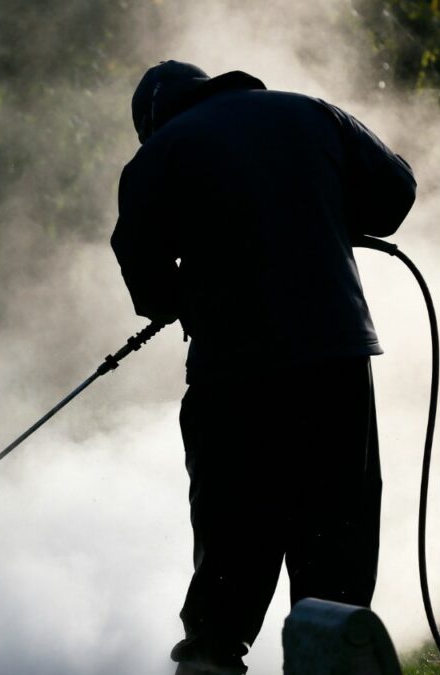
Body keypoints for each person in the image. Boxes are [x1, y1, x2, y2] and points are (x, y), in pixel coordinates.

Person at [110, 61, 416, 674]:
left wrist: (182, 296)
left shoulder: (159, 155)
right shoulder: (311, 111)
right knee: (337, 530)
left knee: (234, 534)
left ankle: (211, 659)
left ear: (151, 119)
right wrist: (321, 218)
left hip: (234, 373)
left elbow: (142, 272)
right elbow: (396, 189)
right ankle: (334, 651)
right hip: (336, 360)